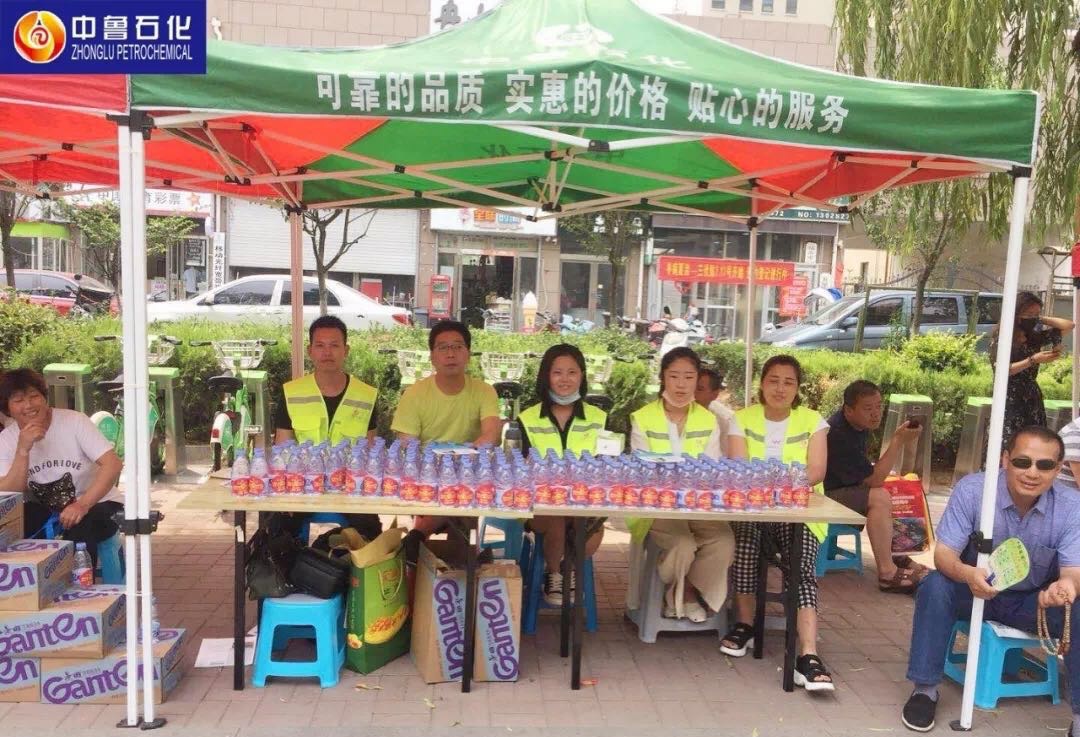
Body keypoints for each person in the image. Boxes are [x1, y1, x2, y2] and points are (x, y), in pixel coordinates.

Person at [900, 426, 1080, 733]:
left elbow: (1072, 572)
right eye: (1022, 462)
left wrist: (1064, 588)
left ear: (1058, 468)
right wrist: (968, 574)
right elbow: (944, 555)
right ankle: (924, 690)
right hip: (972, 590)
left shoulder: (1071, 506)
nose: (1032, 472)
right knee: (935, 585)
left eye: (1044, 465)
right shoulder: (974, 490)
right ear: (1005, 459)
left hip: (1032, 601)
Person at [725, 354, 834, 691]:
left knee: (801, 566)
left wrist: (780, 490)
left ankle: (808, 654)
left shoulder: (813, 421)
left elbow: (816, 471)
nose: (780, 388)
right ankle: (745, 625)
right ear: (762, 383)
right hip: (753, 510)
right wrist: (769, 490)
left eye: (788, 382)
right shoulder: (740, 419)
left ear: (798, 388)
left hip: (799, 512)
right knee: (744, 546)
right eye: (773, 380)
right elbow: (739, 467)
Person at [627, 347, 734, 623]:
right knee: (683, 545)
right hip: (656, 507)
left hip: (697, 506)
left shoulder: (708, 420)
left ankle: (681, 589)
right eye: (674, 376)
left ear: (697, 380)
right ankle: (683, 594)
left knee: (724, 542)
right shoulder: (643, 417)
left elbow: (711, 467)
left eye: (688, 377)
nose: (681, 384)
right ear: (663, 377)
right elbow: (642, 468)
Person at [392, 321, 501, 558]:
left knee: (464, 495)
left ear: (468, 354)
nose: (451, 354)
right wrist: (439, 466)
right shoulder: (414, 394)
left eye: (458, 347)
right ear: (432, 356)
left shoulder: (484, 391)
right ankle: (458, 559)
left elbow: (491, 435)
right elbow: (407, 444)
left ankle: (421, 537)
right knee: (453, 498)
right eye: (443, 347)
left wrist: (459, 461)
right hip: (426, 475)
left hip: (470, 473)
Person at [272, 315, 381, 541]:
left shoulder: (366, 395)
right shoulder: (292, 392)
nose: (327, 352)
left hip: (351, 490)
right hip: (302, 488)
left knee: (370, 533)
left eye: (334, 345)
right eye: (320, 345)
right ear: (310, 351)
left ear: (346, 350)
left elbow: (371, 452)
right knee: (278, 530)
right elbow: (282, 448)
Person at [0, 369, 124, 564]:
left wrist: (82, 505)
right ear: (7, 408)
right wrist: (23, 450)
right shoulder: (7, 439)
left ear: (44, 397)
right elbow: (9, 492)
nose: (29, 405)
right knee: (9, 528)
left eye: (34, 396)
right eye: (18, 400)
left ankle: (78, 581)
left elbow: (113, 464)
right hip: (48, 510)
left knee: (80, 528)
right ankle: (28, 581)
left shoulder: (74, 421)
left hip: (98, 503)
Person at [517, 344, 608, 606]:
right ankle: (554, 574)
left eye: (572, 372)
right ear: (546, 375)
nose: (565, 379)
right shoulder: (528, 418)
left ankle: (570, 569)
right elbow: (520, 467)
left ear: (582, 376)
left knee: (592, 526)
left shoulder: (599, 418)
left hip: (584, 502)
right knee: (556, 515)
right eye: (557, 372)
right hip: (541, 506)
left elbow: (607, 463)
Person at [824, 380, 928, 592]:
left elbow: (866, 473)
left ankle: (898, 556)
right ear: (849, 410)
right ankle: (887, 574)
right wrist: (898, 441)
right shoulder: (839, 433)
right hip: (825, 496)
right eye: (868, 408)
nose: (875, 414)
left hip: (842, 489)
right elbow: (874, 481)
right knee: (879, 496)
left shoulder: (857, 426)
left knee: (896, 489)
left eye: (879, 406)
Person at [990, 291, 1072, 449]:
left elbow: (1069, 325)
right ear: (1016, 313)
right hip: (1009, 396)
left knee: (1034, 442)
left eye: (1037, 314)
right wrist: (1032, 360)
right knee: (1009, 443)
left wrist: (1040, 318)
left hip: (1031, 395)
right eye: (1029, 314)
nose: (1033, 318)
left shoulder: (1034, 337)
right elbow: (1002, 370)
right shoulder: (1002, 337)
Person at [695, 367, 735, 456]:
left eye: (699, 389)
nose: (692, 392)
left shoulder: (725, 421)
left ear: (714, 394)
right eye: (690, 387)